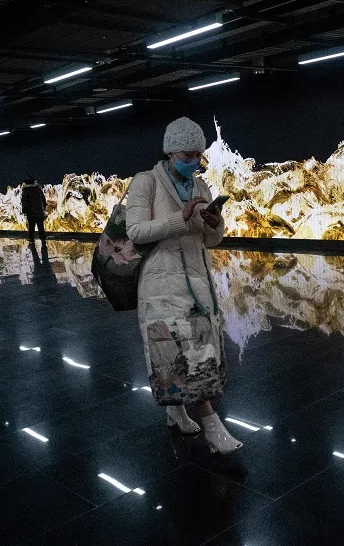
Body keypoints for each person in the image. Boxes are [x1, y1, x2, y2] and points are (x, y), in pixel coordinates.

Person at [125, 116, 241, 455]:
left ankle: (176, 411)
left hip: (198, 286)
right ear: (171, 151)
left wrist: (215, 223)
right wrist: (181, 219)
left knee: (197, 355)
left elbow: (210, 241)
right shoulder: (145, 183)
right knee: (178, 355)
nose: (195, 162)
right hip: (161, 287)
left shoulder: (201, 187)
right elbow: (135, 232)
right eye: (188, 155)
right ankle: (212, 426)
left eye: (198, 155)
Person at [20, 176, 48, 245]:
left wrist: (24, 210)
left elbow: (24, 202)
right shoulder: (38, 189)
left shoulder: (25, 191)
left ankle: (31, 240)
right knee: (40, 226)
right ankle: (43, 239)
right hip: (39, 211)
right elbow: (43, 199)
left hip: (30, 213)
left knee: (31, 227)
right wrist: (43, 208)